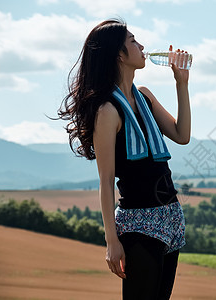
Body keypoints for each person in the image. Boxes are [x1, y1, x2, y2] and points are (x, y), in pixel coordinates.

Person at [57, 19, 191, 299]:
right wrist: (111, 241)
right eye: (133, 41)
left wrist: (182, 83)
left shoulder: (145, 97)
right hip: (137, 222)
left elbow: (182, 134)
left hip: (170, 217)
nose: (141, 46)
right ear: (119, 54)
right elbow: (105, 181)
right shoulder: (107, 110)